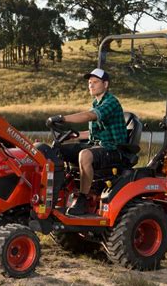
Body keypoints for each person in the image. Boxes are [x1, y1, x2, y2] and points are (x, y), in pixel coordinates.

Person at [46, 68, 127, 216]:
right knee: (58, 150)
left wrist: (63, 118)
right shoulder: (96, 103)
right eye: (90, 83)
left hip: (114, 150)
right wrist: (74, 136)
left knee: (85, 155)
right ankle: (57, 193)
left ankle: (82, 199)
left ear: (106, 84)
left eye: (95, 82)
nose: (91, 85)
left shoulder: (111, 102)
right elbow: (92, 133)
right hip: (97, 145)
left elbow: (90, 116)